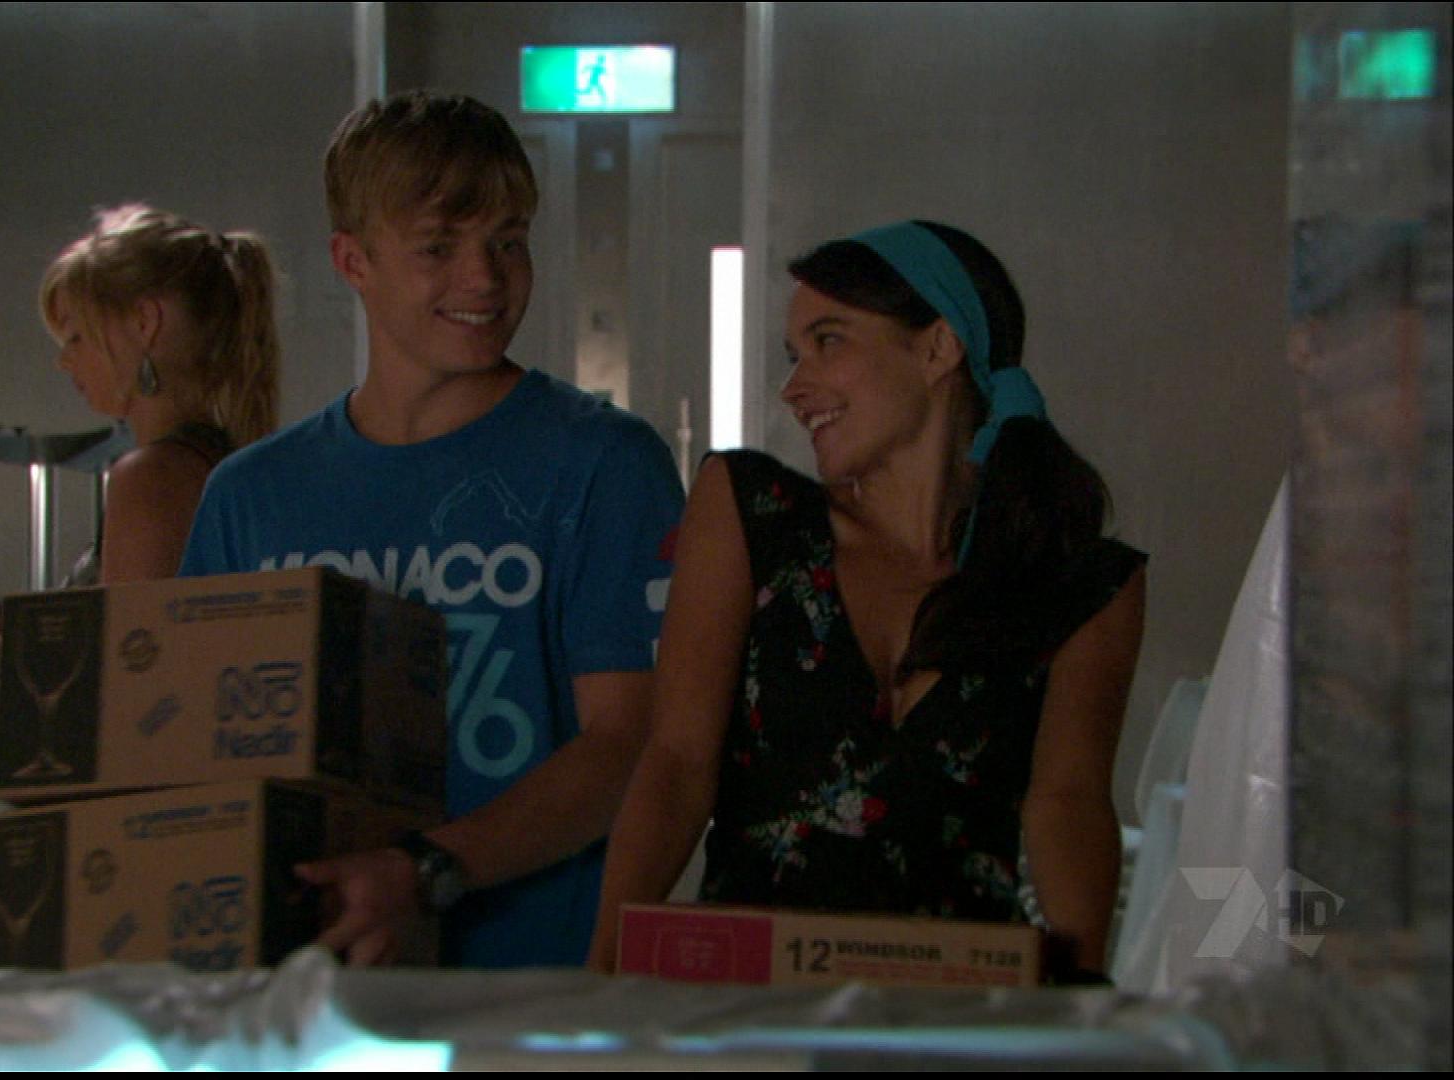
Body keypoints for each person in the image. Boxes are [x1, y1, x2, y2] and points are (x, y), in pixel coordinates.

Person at [180, 91, 685, 969]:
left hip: (535, 991)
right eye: (438, 247)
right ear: (353, 260)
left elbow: (632, 744)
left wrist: (426, 873)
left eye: (509, 241)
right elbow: (194, 755)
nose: (485, 278)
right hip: (310, 988)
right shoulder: (251, 497)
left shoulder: (605, 465)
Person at [586, 221, 1147, 979]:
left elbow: (1069, 803)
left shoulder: (1078, 581)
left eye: (828, 342)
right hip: (754, 1004)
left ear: (938, 348)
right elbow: (678, 763)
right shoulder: (752, 514)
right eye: (794, 355)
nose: (794, 388)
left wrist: (1084, 993)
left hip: (956, 1006)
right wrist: (603, 969)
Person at [0, 205, 280, 676]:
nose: (64, 361)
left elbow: (133, 676)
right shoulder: (209, 460)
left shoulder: (154, 477)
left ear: (144, 322)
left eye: (76, 336)